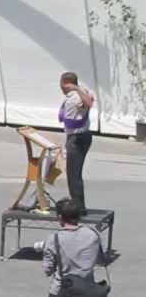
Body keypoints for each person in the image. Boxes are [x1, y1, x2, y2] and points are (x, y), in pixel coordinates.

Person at [59, 71, 95, 213]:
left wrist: (77, 88)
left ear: (66, 83)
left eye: (61, 83)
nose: (60, 87)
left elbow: (89, 103)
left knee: (74, 175)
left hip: (78, 139)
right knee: (73, 175)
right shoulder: (76, 94)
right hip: (76, 137)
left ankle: (78, 208)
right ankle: (77, 205)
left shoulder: (77, 95)